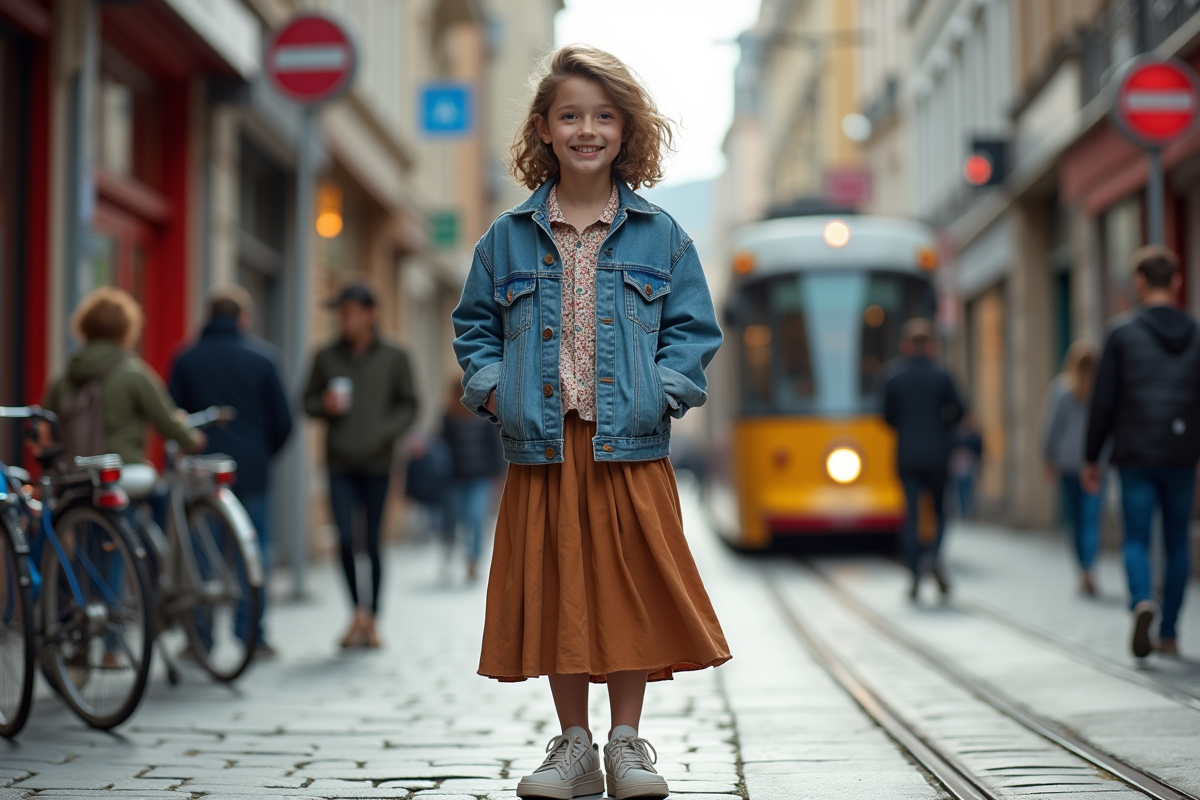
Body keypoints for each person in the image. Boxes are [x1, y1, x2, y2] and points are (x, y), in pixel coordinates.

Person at [452, 45, 730, 800]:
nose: (587, 129)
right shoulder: (506, 237)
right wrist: (493, 390)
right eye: (570, 115)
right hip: (542, 445)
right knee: (560, 592)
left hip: (630, 447)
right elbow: (473, 328)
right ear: (543, 127)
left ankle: (626, 744)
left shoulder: (662, 235)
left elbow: (694, 332)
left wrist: (662, 392)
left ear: (625, 129)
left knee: (628, 589)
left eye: (603, 116)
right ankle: (573, 745)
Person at [1083, 246, 1200, 658]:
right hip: (1183, 454)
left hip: (1135, 454)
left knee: (1134, 536)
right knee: (1177, 542)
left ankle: (1140, 601)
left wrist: (1090, 456)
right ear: (1177, 282)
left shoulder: (1121, 333)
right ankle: (1168, 633)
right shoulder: (1196, 332)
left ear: (1139, 282)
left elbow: (1103, 401)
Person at [168, 285, 294, 656]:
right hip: (250, 471)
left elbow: (175, 417)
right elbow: (284, 421)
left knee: (202, 556)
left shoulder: (186, 358)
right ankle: (251, 635)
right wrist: (261, 454)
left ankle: (200, 639)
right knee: (252, 554)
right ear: (243, 318)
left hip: (200, 474)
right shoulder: (264, 358)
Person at [304, 281, 418, 650]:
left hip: (379, 462)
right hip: (339, 461)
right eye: (340, 312)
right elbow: (305, 401)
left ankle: (372, 619)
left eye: (350, 311)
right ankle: (356, 612)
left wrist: (384, 432)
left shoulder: (395, 355)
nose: (344, 319)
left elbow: (410, 404)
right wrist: (324, 405)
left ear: (370, 314)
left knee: (371, 542)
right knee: (345, 540)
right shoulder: (325, 356)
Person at [43, 287, 204, 465]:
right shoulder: (133, 373)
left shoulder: (64, 377)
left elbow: (44, 427)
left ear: (84, 327)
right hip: (123, 471)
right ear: (126, 329)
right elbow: (166, 422)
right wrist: (192, 439)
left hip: (73, 473)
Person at [882, 318, 965, 602]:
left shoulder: (893, 377)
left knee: (912, 516)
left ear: (905, 345)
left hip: (907, 456)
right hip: (938, 455)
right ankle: (933, 556)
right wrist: (942, 426)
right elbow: (961, 411)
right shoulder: (942, 376)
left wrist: (906, 429)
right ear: (930, 345)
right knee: (942, 512)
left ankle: (915, 572)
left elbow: (886, 417)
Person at [1042, 340, 1103, 597]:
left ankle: (1082, 569)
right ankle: (1090, 567)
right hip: (1096, 463)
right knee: (1091, 520)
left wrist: (1048, 457)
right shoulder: (1102, 389)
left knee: (1076, 521)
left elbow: (1051, 426)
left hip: (1068, 463)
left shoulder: (1061, 388)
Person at [439, 377, 505, 582]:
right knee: (452, 520)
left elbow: (494, 446)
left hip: (479, 477)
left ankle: (473, 560)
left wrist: (497, 472)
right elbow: (441, 447)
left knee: (476, 518)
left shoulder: (483, 415)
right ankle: (449, 552)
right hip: (454, 478)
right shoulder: (447, 417)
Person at [949, 415, 983, 520]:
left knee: (967, 490)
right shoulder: (957, 434)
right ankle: (962, 511)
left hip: (969, 467)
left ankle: (967, 511)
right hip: (958, 467)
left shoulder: (972, 436)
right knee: (959, 490)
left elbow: (978, 447)